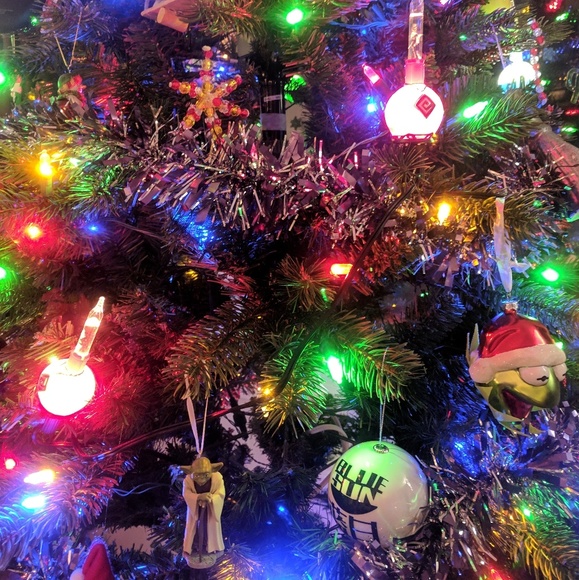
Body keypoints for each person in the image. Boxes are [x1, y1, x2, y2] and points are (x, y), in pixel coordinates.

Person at [182, 456, 225, 568]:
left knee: (209, 528)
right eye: (197, 475)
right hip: (195, 510)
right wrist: (198, 497)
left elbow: (220, 493)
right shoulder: (188, 480)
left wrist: (211, 498)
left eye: (205, 475)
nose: (201, 480)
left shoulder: (217, 478)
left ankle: (210, 548)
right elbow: (186, 493)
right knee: (194, 529)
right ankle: (194, 548)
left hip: (210, 510)